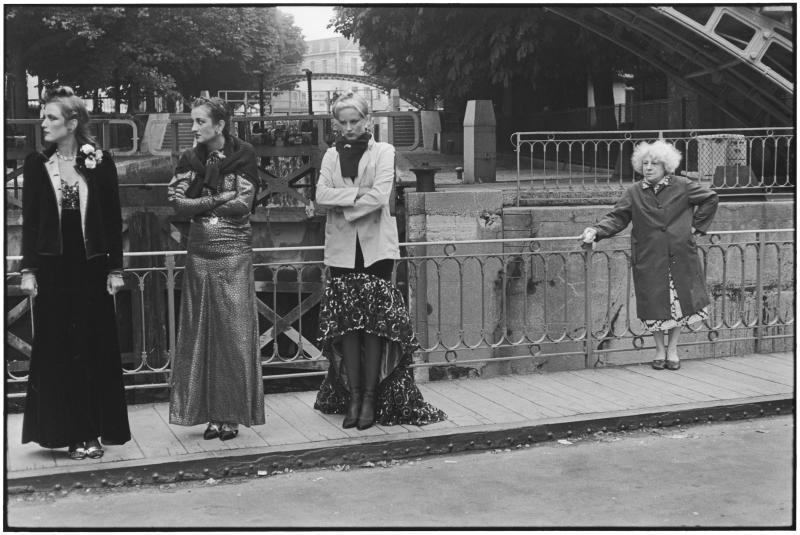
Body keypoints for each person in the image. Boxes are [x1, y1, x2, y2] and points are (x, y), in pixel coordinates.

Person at [313, 92, 446, 429]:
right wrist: (359, 195)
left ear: (367, 120)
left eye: (354, 121)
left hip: (377, 251)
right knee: (348, 328)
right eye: (342, 123)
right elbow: (319, 196)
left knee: (374, 327)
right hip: (342, 251)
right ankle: (354, 396)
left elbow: (380, 196)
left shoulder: (384, 152)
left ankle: (371, 397)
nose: (348, 127)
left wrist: (343, 204)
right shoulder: (330, 155)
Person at [20, 86, 130, 459]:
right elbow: (31, 221)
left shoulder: (99, 162)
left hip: (90, 267)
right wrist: (28, 270)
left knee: (90, 348)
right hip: (53, 269)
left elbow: (112, 219)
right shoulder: (37, 164)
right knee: (56, 348)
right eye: (43, 117)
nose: (43, 124)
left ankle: (89, 432)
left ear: (73, 122)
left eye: (51, 118)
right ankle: (59, 430)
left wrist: (116, 268)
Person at [167, 97, 264, 440]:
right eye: (192, 121)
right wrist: (217, 199)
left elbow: (243, 204)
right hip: (198, 251)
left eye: (198, 122)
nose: (193, 128)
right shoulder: (189, 158)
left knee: (234, 332)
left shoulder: (245, 153)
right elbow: (178, 204)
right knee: (200, 331)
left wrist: (203, 204)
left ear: (219, 124)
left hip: (234, 251)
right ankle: (209, 414)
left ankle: (232, 414)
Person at [580, 140, 718, 370]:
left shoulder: (683, 185)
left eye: (654, 163)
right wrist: (596, 231)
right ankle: (659, 349)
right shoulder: (634, 192)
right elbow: (617, 217)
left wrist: (695, 227)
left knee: (677, 304)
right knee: (653, 303)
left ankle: (672, 349)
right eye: (645, 163)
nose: (649, 167)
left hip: (679, 255)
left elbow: (710, 197)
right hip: (649, 256)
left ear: (666, 166)